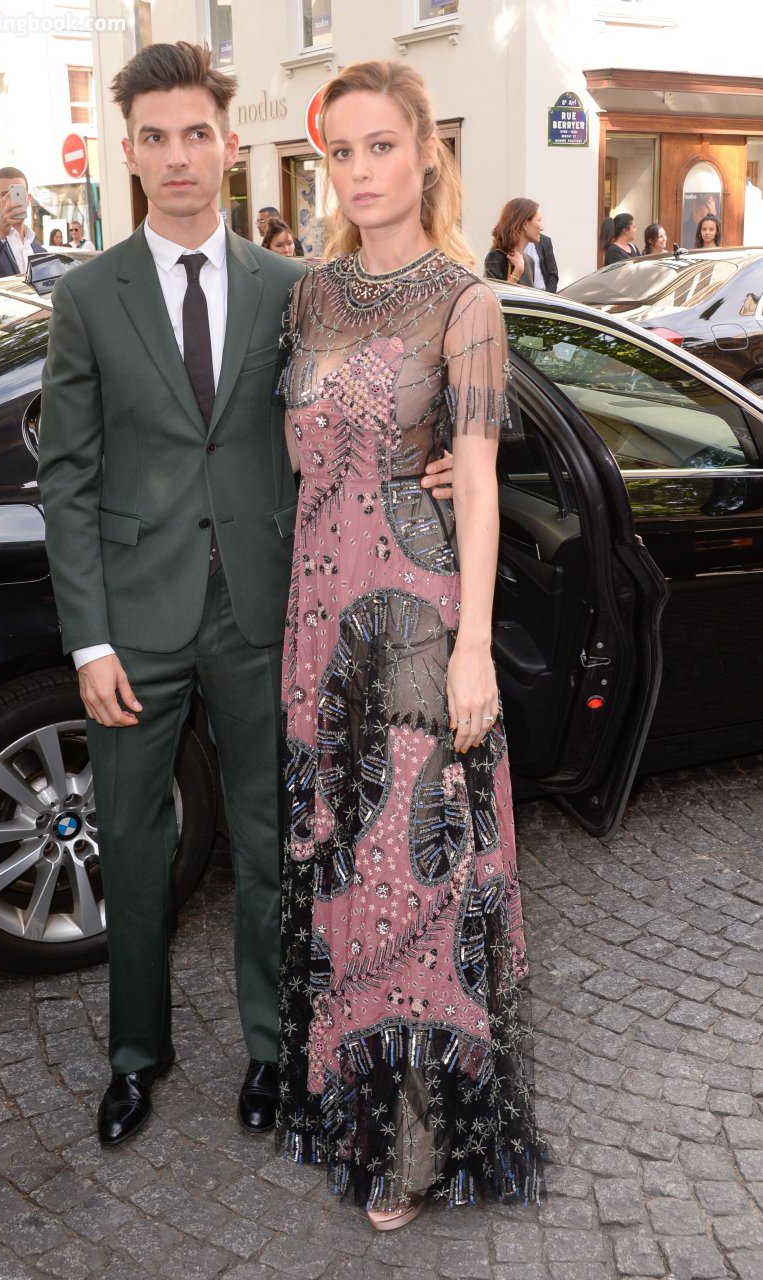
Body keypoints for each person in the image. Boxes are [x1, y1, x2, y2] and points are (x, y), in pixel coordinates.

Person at [38, 40, 452, 1151]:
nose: (178, 156)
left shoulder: (291, 288)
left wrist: (435, 463)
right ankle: (136, 1055)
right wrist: (88, 641)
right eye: (156, 137)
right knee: (131, 845)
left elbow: (367, 392)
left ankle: (272, 1048)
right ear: (131, 152)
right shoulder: (86, 297)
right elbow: (66, 478)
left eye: (196, 133)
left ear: (227, 144)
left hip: (268, 613)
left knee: (271, 840)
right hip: (133, 624)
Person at [277, 60, 543, 1232]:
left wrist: (473, 646)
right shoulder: (311, 297)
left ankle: (413, 1147)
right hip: (316, 619)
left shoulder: (464, 302)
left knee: (414, 881)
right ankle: (355, 1107)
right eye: (341, 151)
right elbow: (299, 460)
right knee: (343, 865)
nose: (360, 170)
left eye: (381, 145)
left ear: (426, 152)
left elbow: (474, 482)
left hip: (416, 618)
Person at [483, 197, 542, 285]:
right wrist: (518, 270)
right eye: (539, 220)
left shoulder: (529, 261)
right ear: (525, 224)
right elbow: (494, 293)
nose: (542, 227)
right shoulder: (496, 257)